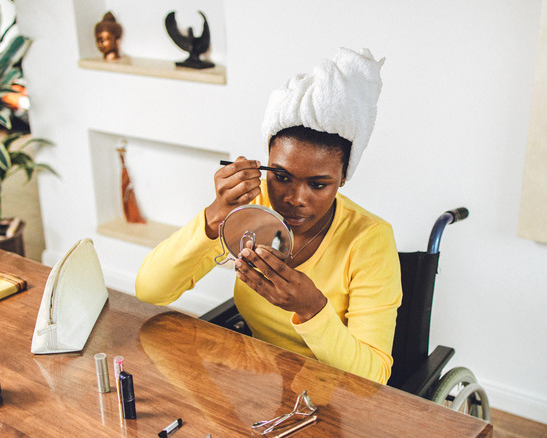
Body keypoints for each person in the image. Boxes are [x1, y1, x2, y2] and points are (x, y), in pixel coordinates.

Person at [136, 48, 402, 384]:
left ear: (343, 178)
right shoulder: (251, 209)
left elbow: (373, 378)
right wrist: (216, 214)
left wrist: (311, 309)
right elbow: (150, 290)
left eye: (318, 184)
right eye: (281, 176)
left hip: (333, 393)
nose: (295, 199)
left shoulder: (369, 240)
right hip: (258, 381)